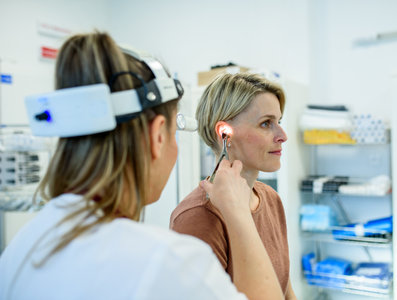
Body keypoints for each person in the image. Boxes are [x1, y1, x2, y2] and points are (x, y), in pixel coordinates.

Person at [0, 32, 284, 300]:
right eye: (175, 132)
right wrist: (237, 214)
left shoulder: (22, 247)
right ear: (157, 135)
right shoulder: (167, 262)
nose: (280, 135)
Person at [170, 73, 297, 299]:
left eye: (279, 122)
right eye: (266, 123)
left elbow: (284, 289)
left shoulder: (270, 198)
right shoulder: (196, 218)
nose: (282, 136)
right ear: (225, 134)